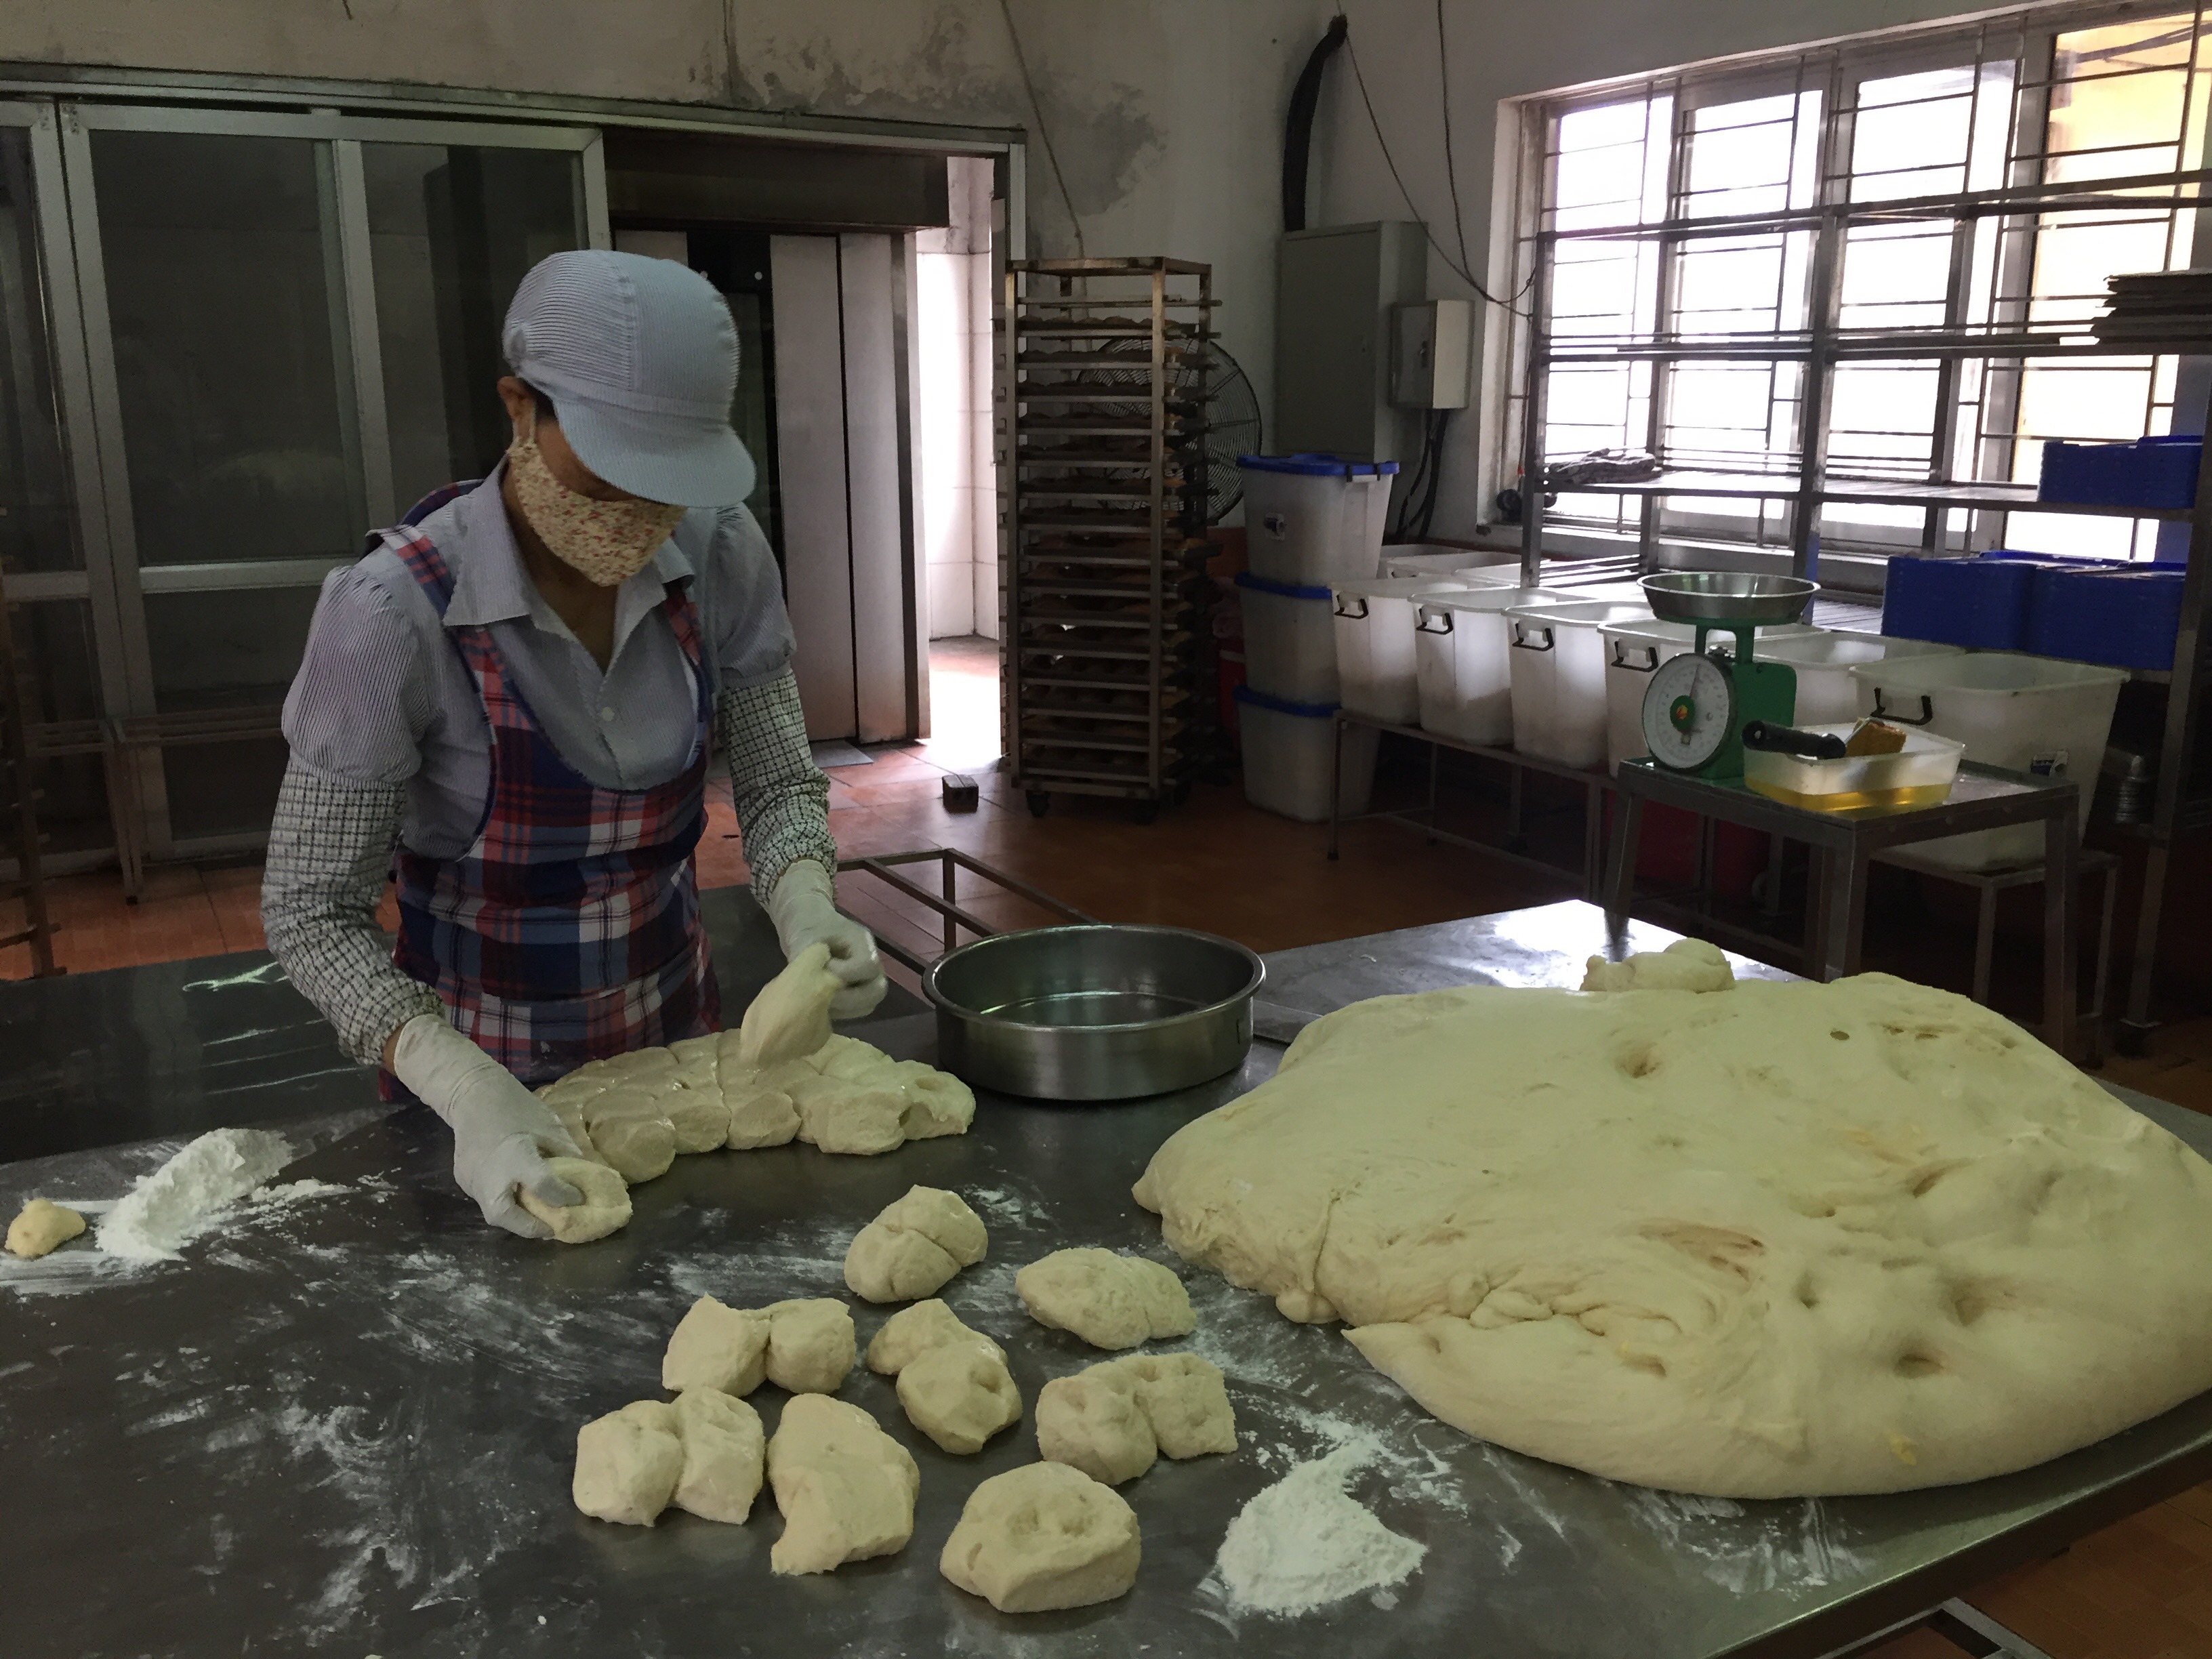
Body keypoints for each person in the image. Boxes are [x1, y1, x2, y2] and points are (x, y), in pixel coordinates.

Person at [262, 249, 886, 1238]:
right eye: (610, 465)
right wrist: (462, 1088)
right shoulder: (391, 616)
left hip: (686, 1059)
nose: (636, 510)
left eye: (667, 476)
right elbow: (311, 911)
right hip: (478, 1096)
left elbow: (776, 786)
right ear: (520, 408)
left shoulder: (721, 553)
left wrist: (810, 910)